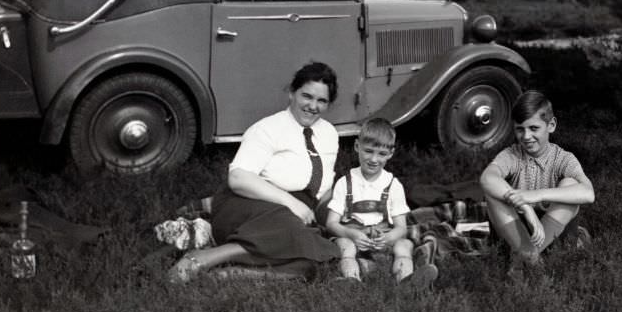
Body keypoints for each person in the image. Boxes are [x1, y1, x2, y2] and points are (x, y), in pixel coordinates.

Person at [169, 62, 341, 282]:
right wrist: (292, 203)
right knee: (292, 231)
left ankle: (233, 274)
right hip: (248, 204)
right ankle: (203, 258)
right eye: (307, 96)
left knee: (313, 260)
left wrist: (340, 214)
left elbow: (323, 189)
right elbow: (239, 178)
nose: (313, 106)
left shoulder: (329, 134)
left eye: (322, 101)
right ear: (291, 93)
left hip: (293, 213)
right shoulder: (267, 128)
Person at [479, 90, 595, 274]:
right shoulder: (512, 155)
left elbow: (588, 194)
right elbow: (487, 178)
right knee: (492, 194)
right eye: (519, 129)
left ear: (551, 125)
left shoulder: (563, 158)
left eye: (533, 128)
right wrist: (526, 208)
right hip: (519, 232)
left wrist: (534, 195)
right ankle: (533, 260)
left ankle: (527, 257)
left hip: (553, 234)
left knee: (571, 185)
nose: (526, 136)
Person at [325, 118, 438, 287]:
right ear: (357, 147)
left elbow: (401, 228)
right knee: (345, 246)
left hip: (383, 237)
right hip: (354, 235)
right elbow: (331, 223)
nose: (374, 159)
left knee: (404, 245)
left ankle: (407, 281)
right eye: (368, 151)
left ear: (390, 154)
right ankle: (352, 281)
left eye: (381, 154)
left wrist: (389, 237)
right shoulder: (345, 182)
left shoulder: (393, 185)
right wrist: (351, 234)